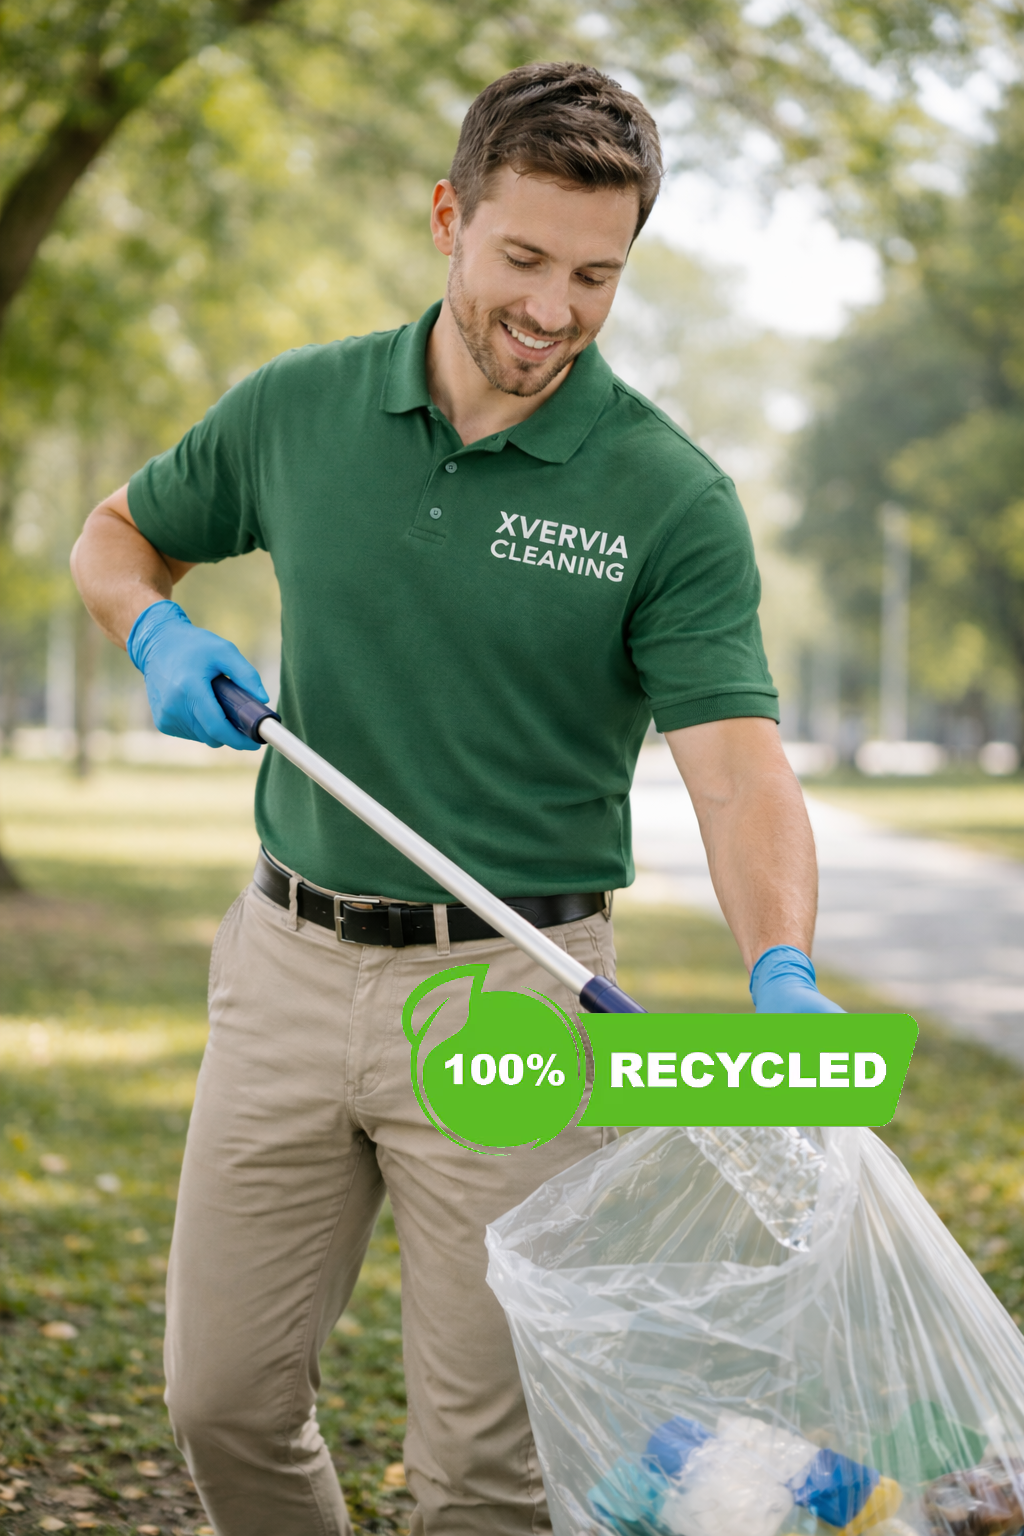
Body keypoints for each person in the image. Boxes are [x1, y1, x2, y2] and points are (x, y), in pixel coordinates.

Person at [72, 60, 840, 1536]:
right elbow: (121, 535)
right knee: (221, 1404)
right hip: (287, 970)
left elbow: (739, 769)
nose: (555, 308)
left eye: (599, 276)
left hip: (515, 1003)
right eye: (525, 259)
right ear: (449, 218)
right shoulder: (301, 409)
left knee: (490, 1473)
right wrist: (153, 626)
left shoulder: (663, 496)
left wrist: (782, 967)